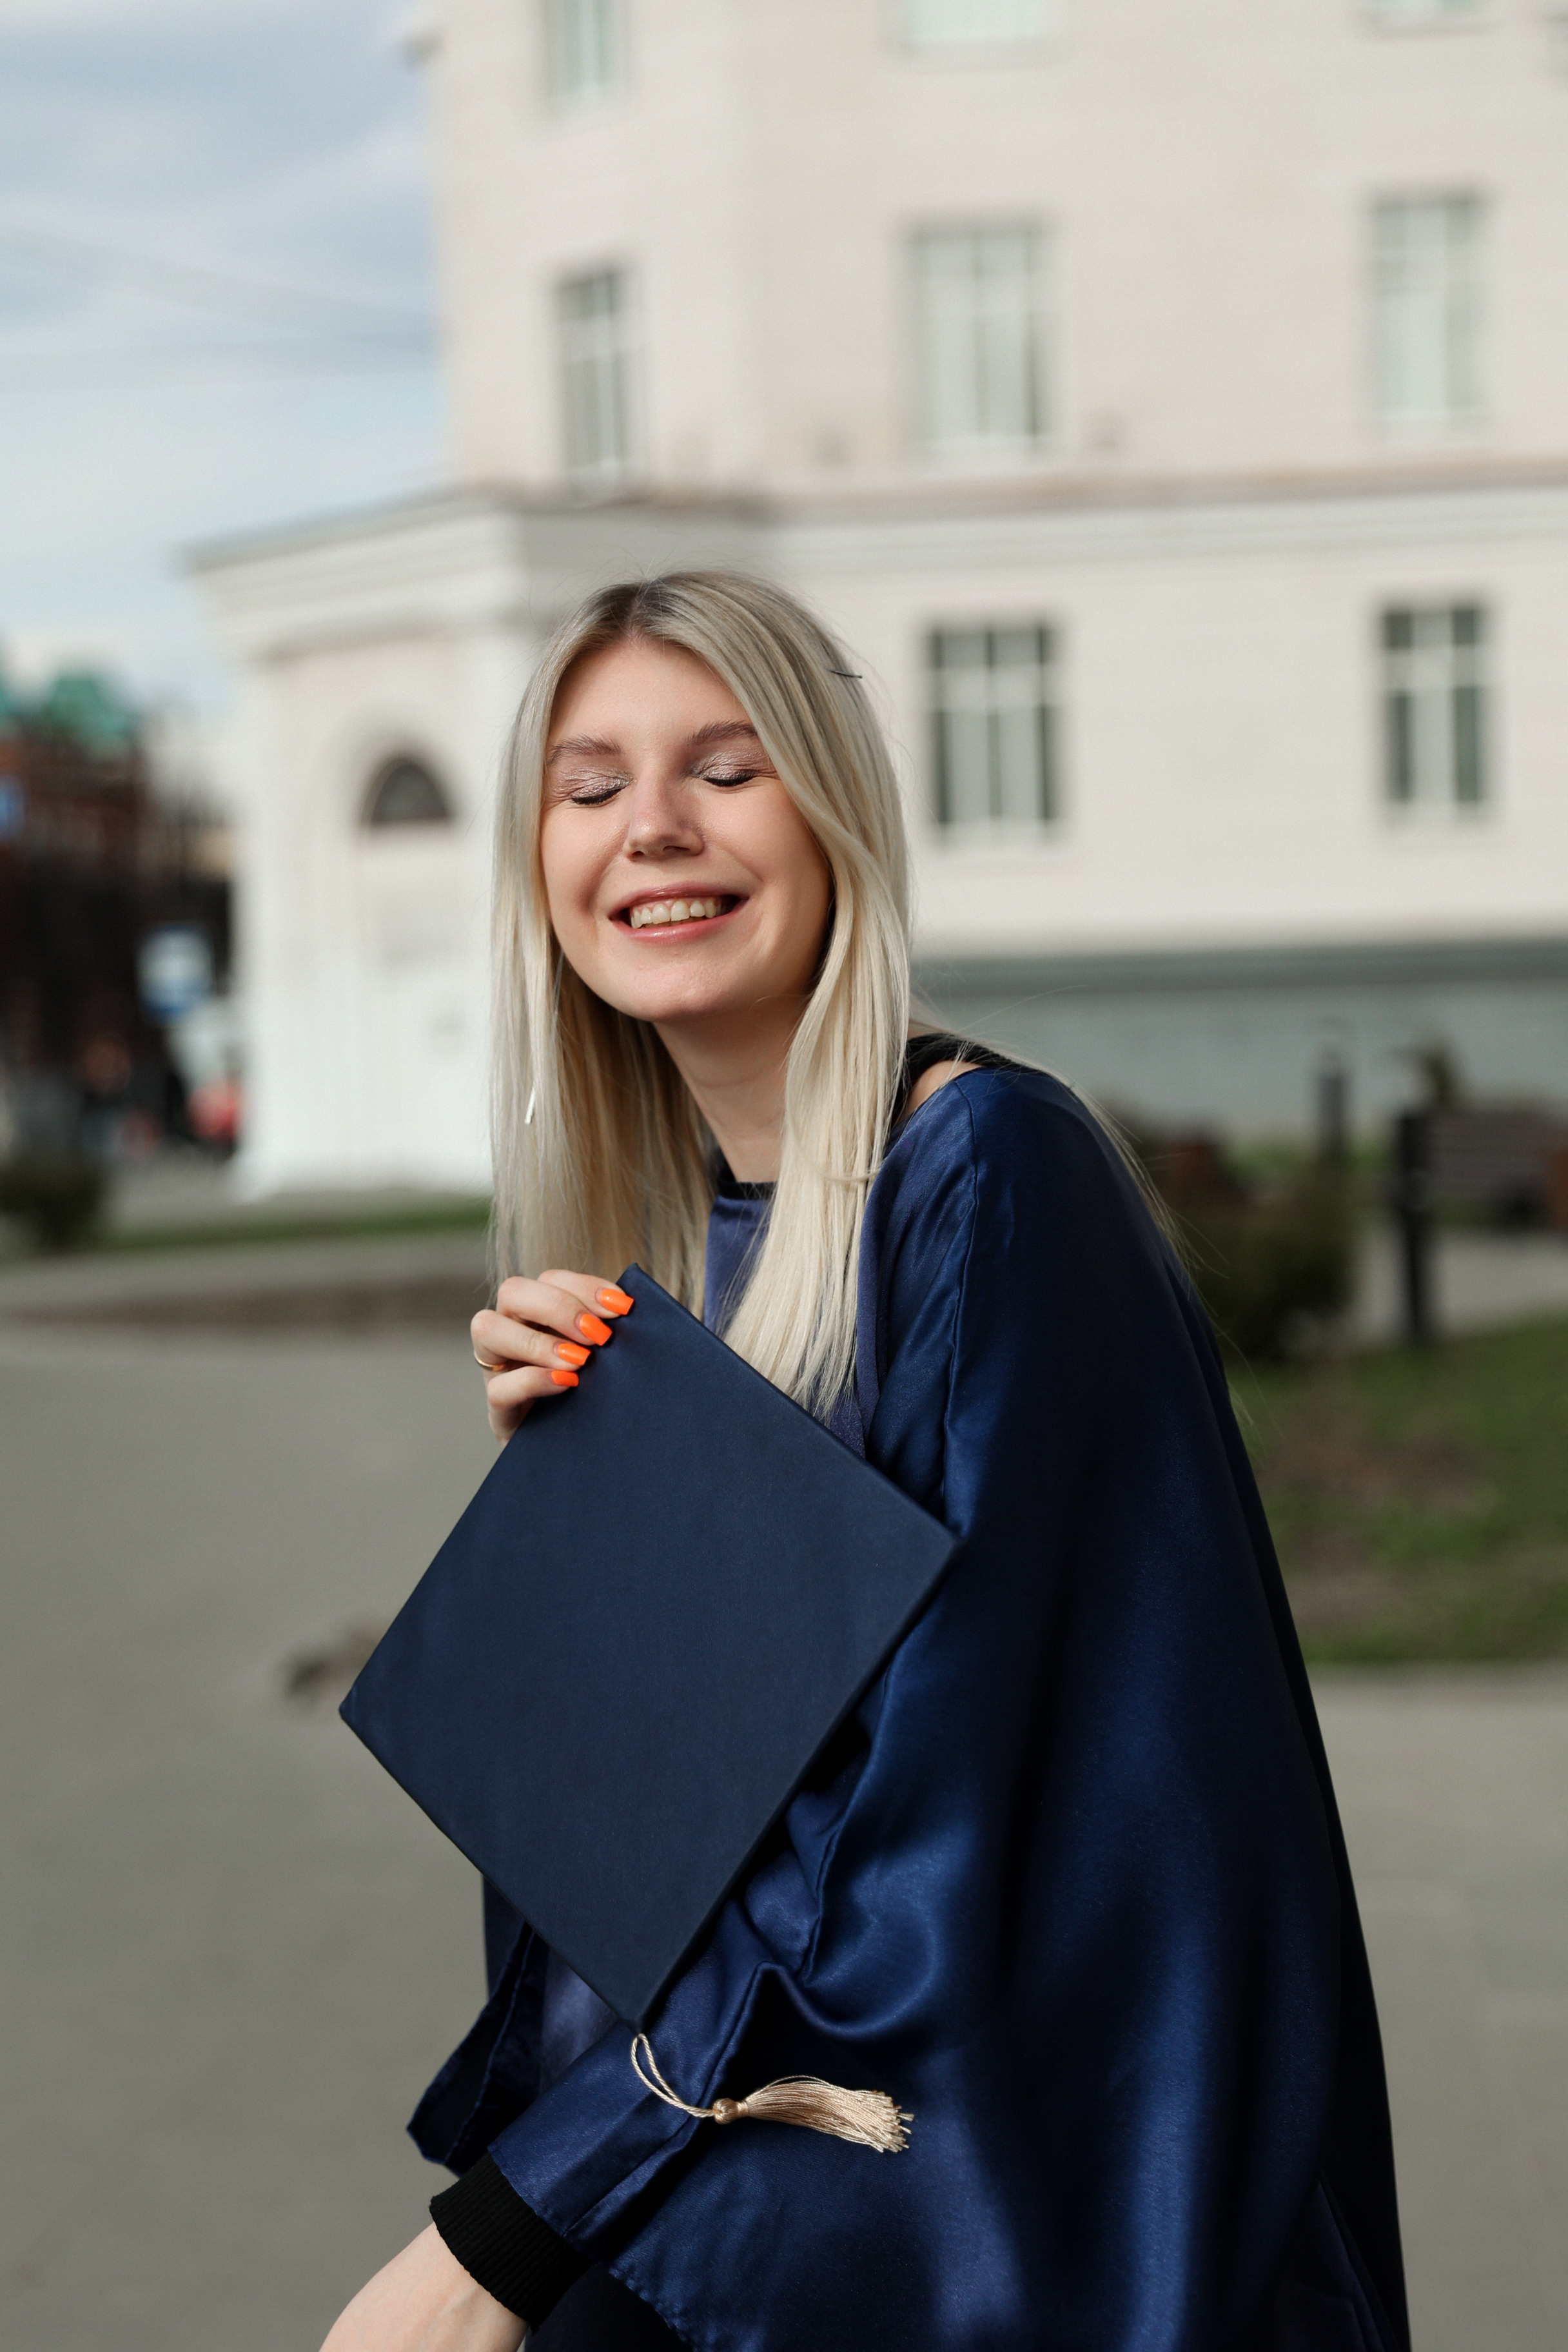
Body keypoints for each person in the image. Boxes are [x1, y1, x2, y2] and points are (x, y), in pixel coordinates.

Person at [321, 573, 1407, 2352]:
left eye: (725, 768)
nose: (652, 827)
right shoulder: (680, 1246)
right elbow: (684, 1827)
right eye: (588, 789)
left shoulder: (984, 1171)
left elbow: (942, 1821)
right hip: (784, 2196)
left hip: (1010, 2235)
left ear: (838, 816)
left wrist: (499, 2244)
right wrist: (595, 1526)